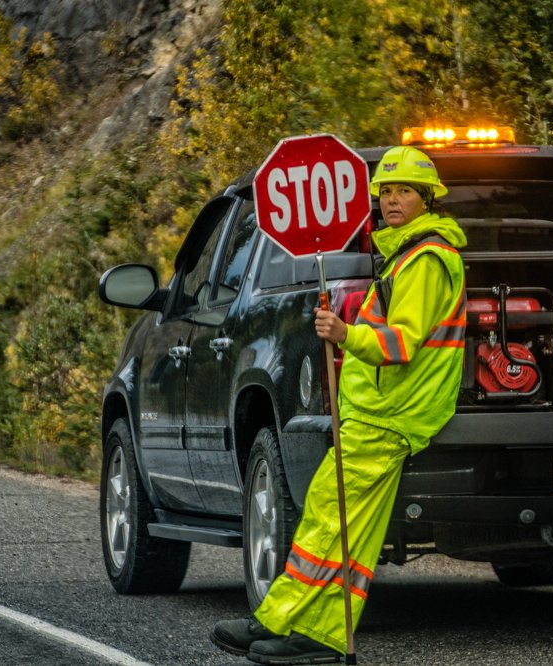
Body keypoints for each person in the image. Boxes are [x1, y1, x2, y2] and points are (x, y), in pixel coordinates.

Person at [211, 145, 467, 664]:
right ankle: (322, 634)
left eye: (405, 192)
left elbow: (401, 344)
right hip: (383, 411)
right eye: (386, 191)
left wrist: (344, 333)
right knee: (351, 534)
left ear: (428, 199)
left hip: (391, 413)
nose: (392, 201)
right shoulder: (406, 256)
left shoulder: (426, 260)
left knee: (329, 519)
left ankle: (275, 618)